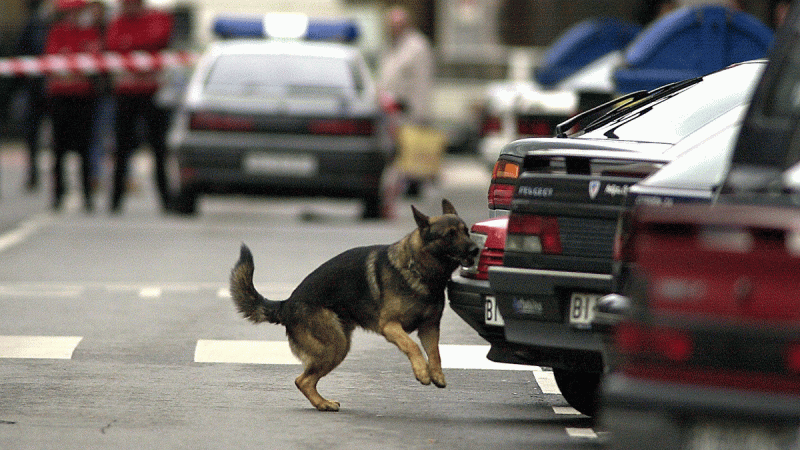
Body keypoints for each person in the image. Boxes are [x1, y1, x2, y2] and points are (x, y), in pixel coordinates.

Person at [105, 0, 173, 213]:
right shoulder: (118, 23)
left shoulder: (156, 19)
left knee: (159, 149)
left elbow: (159, 38)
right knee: (122, 148)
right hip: (125, 94)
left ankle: (166, 198)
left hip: (152, 93)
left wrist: (132, 46)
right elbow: (114, 44)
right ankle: (115, 200)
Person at [44, 0, 103, 212]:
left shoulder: (90, 33)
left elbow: (92, 64)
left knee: (85, 148)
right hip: (61, 97)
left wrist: (71, 70)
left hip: (84, 97)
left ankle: (87, 194)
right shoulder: (57, 32)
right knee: (58, 149)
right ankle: (58, 194)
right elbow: (53, 62)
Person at [377, 5, 435, 200]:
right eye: (391, 25)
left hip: (408, 110)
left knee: (409, 150)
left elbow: (421, 82)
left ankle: (412, 185)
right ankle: (399, 185)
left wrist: (419, 113)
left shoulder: (417, 47)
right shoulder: (390, 45)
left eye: (398, 24)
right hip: (389, 110)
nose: (393, 28)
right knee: (395, 151)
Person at [14, 0, 52, 191]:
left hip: (55, 87)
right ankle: (33, 172)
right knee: (32, 133)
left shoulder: (57, 23)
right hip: (35, 88)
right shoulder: (34, 25)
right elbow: (20, 51)